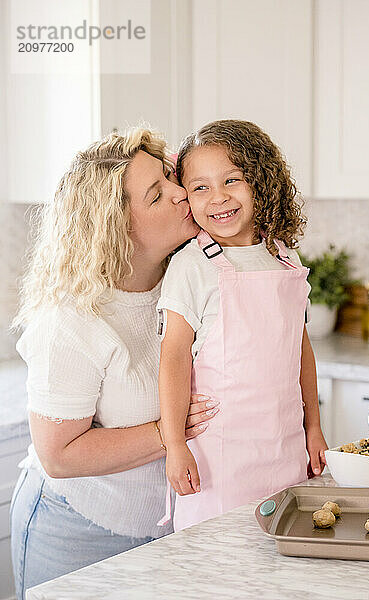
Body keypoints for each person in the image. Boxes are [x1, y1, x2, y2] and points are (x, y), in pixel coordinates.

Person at [9, 127, 219, 600]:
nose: (181, 191)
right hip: (78, 531)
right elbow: (58, 455)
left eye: (169, 175)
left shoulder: (189, 276)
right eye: (157, 194)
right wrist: (171, 430)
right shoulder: (73, 316)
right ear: (118, 225)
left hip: (167, 525)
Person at [156, 119, 328, 532]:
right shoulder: (192, 267)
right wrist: (175, 444)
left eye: (232, 180)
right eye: (200, 187)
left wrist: (314, 427)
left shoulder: (283, 255)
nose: (219, 198)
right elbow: (173, 360)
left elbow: (299, 350)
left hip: (285, 451)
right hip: (220, 459)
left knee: (277, 557)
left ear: (260, 182)